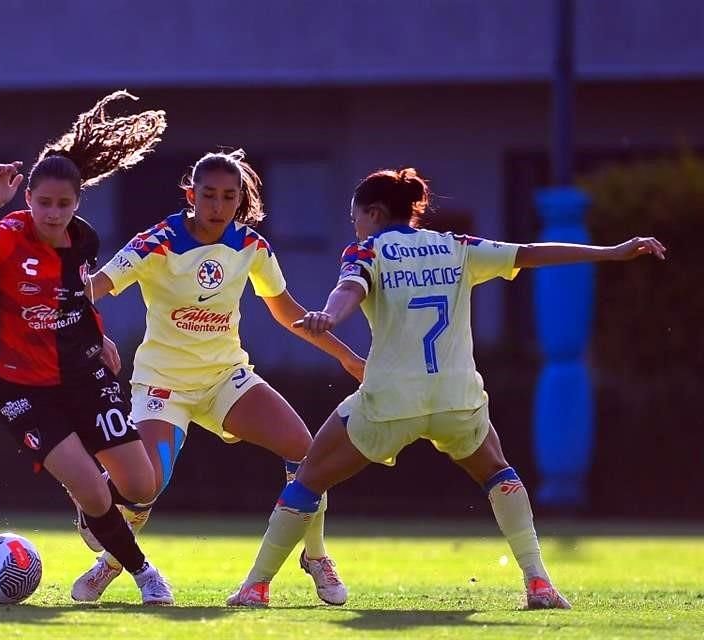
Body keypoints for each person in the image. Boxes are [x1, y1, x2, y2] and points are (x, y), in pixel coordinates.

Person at [226, 167, 667, 609]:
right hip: (456, 399)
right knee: (498, 472)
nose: (354, 223)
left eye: (356, 214)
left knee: (308, 480)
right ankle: (539, 583)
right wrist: (612, 251)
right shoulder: (457, 246)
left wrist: (328, 316)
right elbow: (530, 253)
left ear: (375, 213)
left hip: (391, 402)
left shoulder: (366, 250)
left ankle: (256, 586)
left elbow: (348, 289)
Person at [72, 149, 366, 605]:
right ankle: (112, 559)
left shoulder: (251, 247)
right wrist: (74, 316)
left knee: (304, 451)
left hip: (226, 379)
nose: (217, 204)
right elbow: (96, 289)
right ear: (191, 194)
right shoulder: (157, 241)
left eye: (229, 196)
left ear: (240, 199)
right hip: (162, 385)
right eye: (208, 194)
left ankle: (316, 556)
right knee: (147, 484)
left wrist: (346, 358)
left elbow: (287, 313)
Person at [0, 91, 175, 605]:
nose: (53, 212)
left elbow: (73, 297)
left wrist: (100, 335)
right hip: (23, 389)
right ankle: (142, 573)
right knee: (91, 487)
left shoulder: (83, 240)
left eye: (64, 204)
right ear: (28, 201)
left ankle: (100, 520)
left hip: (83, 374)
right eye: (43, 202)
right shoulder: (7, 235)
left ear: (77, 204)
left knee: (141, 485)